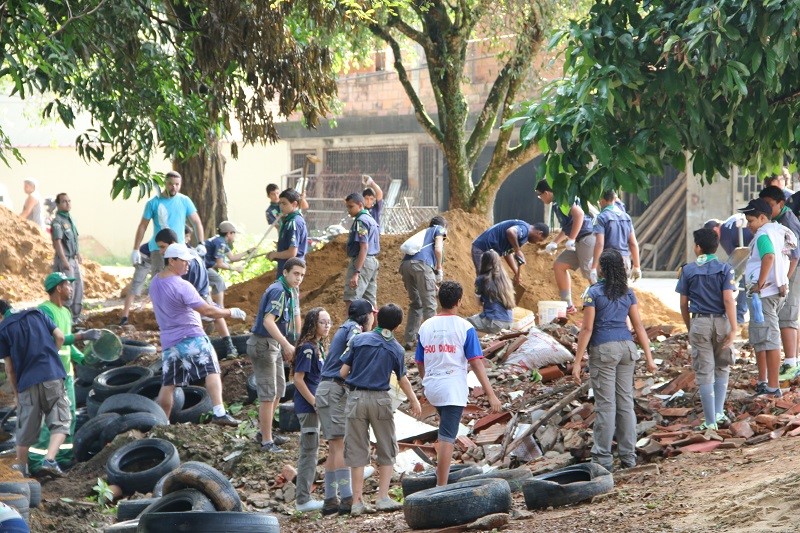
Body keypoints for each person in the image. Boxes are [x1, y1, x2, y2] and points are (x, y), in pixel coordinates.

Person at [572, 250, 657, 471]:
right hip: (627, 348)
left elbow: (587, 328)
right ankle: (628, 457)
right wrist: (649, 358)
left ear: (602, 268)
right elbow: (638, 327)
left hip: (604, 350)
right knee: (625, 403)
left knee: (606, 406)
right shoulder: (627, 292)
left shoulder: (594, 293)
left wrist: (577, 361)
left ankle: (602, 460)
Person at [149, 243, 245, 425]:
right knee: (212, 369)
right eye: (184, 261)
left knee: (168, 384)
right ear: (171, 260)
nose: (188, 265)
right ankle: (219, 412)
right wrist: (230, 312)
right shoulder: (182, 285)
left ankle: (162, 423)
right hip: (191, 336)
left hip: (169, 341)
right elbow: (207, 311)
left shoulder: (155, 282)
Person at [415, 281, 501, 486]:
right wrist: (491, 394)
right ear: (459, 302)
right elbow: (476, 362)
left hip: (433, 387)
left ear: (439, 300)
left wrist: (426, 383)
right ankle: (441, 485)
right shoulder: (465, 327)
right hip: (452, 388)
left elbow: (420, 361)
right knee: (447, 436)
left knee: (445, 429)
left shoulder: (425, 326)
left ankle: (441, 478)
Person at [340, 303, 422, 516]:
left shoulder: (358, 340)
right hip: (380, 400)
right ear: (397, 326)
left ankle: (357, 502)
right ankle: (382, 498)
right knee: (387, 446)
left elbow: (342, 372)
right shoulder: (396, 348)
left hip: (356, 397)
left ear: (377, 320)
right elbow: (402, 379)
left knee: (357, 449)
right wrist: (414, 400)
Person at [31, 273, 101, 471]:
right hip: (50, 373)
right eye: (68, 285)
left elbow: (67, 348)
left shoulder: (66, 312)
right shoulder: (45, 311)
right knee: (52, 418)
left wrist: (82, 358)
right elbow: (55, 339)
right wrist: (82, 336)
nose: (71, 288)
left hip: (66, 374)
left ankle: (63, 456)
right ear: (58, 288)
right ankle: (38, 461)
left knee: (69, 415)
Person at [317, 299, 375, 515]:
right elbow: (357, 347)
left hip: (327, 389)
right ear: (366, 316)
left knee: (334, 447)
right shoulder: (354, 329)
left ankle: (330, 499)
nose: (373, 318)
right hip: (333, 389)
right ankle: (347, 497)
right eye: (372, 314)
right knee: (340, 445)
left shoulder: (346, 326)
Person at [0, 299, 70, 478]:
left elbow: (10, 369)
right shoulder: (38, 314)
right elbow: (60, 337)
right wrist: (51, 358)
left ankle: (22, 468)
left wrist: (17, 394)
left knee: (25, 429)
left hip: (27, 383)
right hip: (52, 376)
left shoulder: (3, 329)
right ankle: (50, 460)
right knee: (60, 422)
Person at [676, 229, 737, 430]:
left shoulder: (688, 270)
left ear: (698, 247)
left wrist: (689, 326)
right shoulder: (725, 268)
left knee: (704, 372)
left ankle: (710, 422)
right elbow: (728, 299)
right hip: (721, 321)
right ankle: (719, 413)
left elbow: (683, 304)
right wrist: (734, 328)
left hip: (700, 322)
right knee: (722, 367)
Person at [247, 257, 306, 453]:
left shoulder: (291, 290)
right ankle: (266, 441)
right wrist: (287, 345)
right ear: (285, 273)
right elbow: (268, 322)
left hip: (275, 344)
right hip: (264, 344)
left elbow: (296, 317)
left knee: (279, 389)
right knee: (268, 394)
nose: (299, 278)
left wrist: (295, 343)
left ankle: (266, 432)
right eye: (296, 274)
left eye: (302, 275)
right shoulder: (278, 291)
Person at [739, 198, 796, 397]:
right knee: (762, 338)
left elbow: (769, 257)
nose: (749, 226)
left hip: (764, 294)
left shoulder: (764, 234)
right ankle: (764, 381)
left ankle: (772, 387)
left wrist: (759, 284)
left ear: (763, 218)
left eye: (751, 221)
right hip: (773, 292)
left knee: (769, 339)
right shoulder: (777, 230)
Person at [156, 228, 239, 359]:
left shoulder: (182, 261)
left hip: (198, 290)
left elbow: (184, 287)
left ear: (172, 243)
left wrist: (231, 312)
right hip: (199, 287)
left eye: (162, 247)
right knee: (211, 314)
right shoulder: (185, 254)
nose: (161, 251)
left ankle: (228, 347)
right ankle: (228, 347)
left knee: (211, 313)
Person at [292, 307, 333, 513]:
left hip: (317, 405)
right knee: (309, 451)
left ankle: (307, 495)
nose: (326, 326)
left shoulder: (318, 347)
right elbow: (298, 380)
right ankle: (303, 499)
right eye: (322, 322)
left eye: (329, 322)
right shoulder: (307, 348)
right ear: (313, 324)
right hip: (308, 407)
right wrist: (314, 402)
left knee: (315, 449)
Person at [535, 179, 596, 313]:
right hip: (579, 241)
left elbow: (579, 215)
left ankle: (605, 304)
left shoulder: (563, 199)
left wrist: (572, 239)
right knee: (560, 265)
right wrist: (554, 243)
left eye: (540, 195)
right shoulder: (558, 202)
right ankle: (567, 305)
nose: (540, 198)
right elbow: (567, 227)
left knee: (590, 273)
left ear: (546, 193)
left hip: (587, 238)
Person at [759, 186, 800, 381]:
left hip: (792, 270)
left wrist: (785, 279)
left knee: (787, 316)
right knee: (788, 316)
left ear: (781, 204)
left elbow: (794, 255)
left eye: (769, 205)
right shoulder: (777, 219)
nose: (766, 209)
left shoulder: (787, 220)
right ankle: (792, 361)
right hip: (786, 272)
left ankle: (791, 363)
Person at [131, 170, 205, 275]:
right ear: (165, 183)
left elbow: (197, 222)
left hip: (179, 247)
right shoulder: (153, 203)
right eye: (170, 184)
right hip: (159, 249)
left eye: (177, 184)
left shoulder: (185, 201)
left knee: (180, 280)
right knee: (159, 279)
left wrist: (201, 243)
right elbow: (143, 226)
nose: (174, 187)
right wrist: (136, 249)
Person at [400, 215, 446, 350]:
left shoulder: (423, 233)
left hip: (405, 266)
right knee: (430, 305)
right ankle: (433, 342)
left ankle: (409, 339)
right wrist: (439, 268)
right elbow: (438, 249)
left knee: (416, 303)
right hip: (422, 265)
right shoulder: (439, 229)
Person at [704, 216, 753, 324]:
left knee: (744, 283)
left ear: (716, 230)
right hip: (754, 245)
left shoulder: (724, 236)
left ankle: (738, 317)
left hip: (752, 251)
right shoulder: (730, 221)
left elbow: (736, 261)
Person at [471, 219, 549, 284]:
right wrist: (518, 250)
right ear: (539, 233)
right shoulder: (525, 229)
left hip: (488, 253)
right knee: (485, 279)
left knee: (493, 280)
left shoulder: (524, 234)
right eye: (539, 240)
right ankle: (481, 299)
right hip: (482, 249)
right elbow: (511, 232)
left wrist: (516, 272)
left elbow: (507, 253)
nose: (536, 242)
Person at [591, 190, 641, 284]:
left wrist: (594, 267)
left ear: (602, 201)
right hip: (624, 261)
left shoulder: (600, 218)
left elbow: (599, 243)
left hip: (608, 261)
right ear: (614, 199)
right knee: (621, 291)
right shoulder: (626, 217)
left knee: (607, 292)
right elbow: (633, 243)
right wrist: (637, 266)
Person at [343, 193, 380, 311]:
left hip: (362, 262)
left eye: (351, 206)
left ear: (360, 205)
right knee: (370, 303)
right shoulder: (370, 219)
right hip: (372, 261)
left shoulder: (361, 221)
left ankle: (352, 329)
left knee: (351, 300)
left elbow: (363, 247)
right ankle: (376, 329)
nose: (348, 210)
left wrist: (356, 272)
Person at [50, 193, 84, 320]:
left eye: (69, 201)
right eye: (64, 201)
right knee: (67, 291)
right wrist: (64, 261)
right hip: (65, 260)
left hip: (73, 259)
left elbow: (75, 239)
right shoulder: (57, 222)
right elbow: (57, 242)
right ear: (58, 204)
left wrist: (78, 254)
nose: (68, 203)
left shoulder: (70, 220)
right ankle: (66, 318)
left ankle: (75, 317)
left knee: (78, 289)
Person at [203, 221, 252, 307]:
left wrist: (248, 252)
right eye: (234, 233)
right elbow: (220, 264)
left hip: (204, 266)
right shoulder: (221, 243)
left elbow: (232, 258)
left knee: (210, 284)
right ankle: (220, 308)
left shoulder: (220, 240)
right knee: (218, 281)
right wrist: (236, 269)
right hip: (201, 267)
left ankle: (212, 306)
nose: (234, 236)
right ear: (229, 233)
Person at [467, 250, 516, 333]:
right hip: (509, 322)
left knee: (464, 323)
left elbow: (479, 303)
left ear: (484, 262)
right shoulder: (505, 280)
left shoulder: (481, 279)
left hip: (494, 321)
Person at [267, 188, 309, 277]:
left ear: (294, 204)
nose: (281, 206)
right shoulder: (288, 221)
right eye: (280, 203)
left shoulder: (294, 222)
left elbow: (292, 253)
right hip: (286, 270)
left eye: (284, 203)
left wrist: (275, 254)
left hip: (291, 271)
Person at [119, 244, 152, 326]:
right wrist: (135, 250)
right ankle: (124, 317)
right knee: (135, 285)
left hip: (156, 258)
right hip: (145, 256)